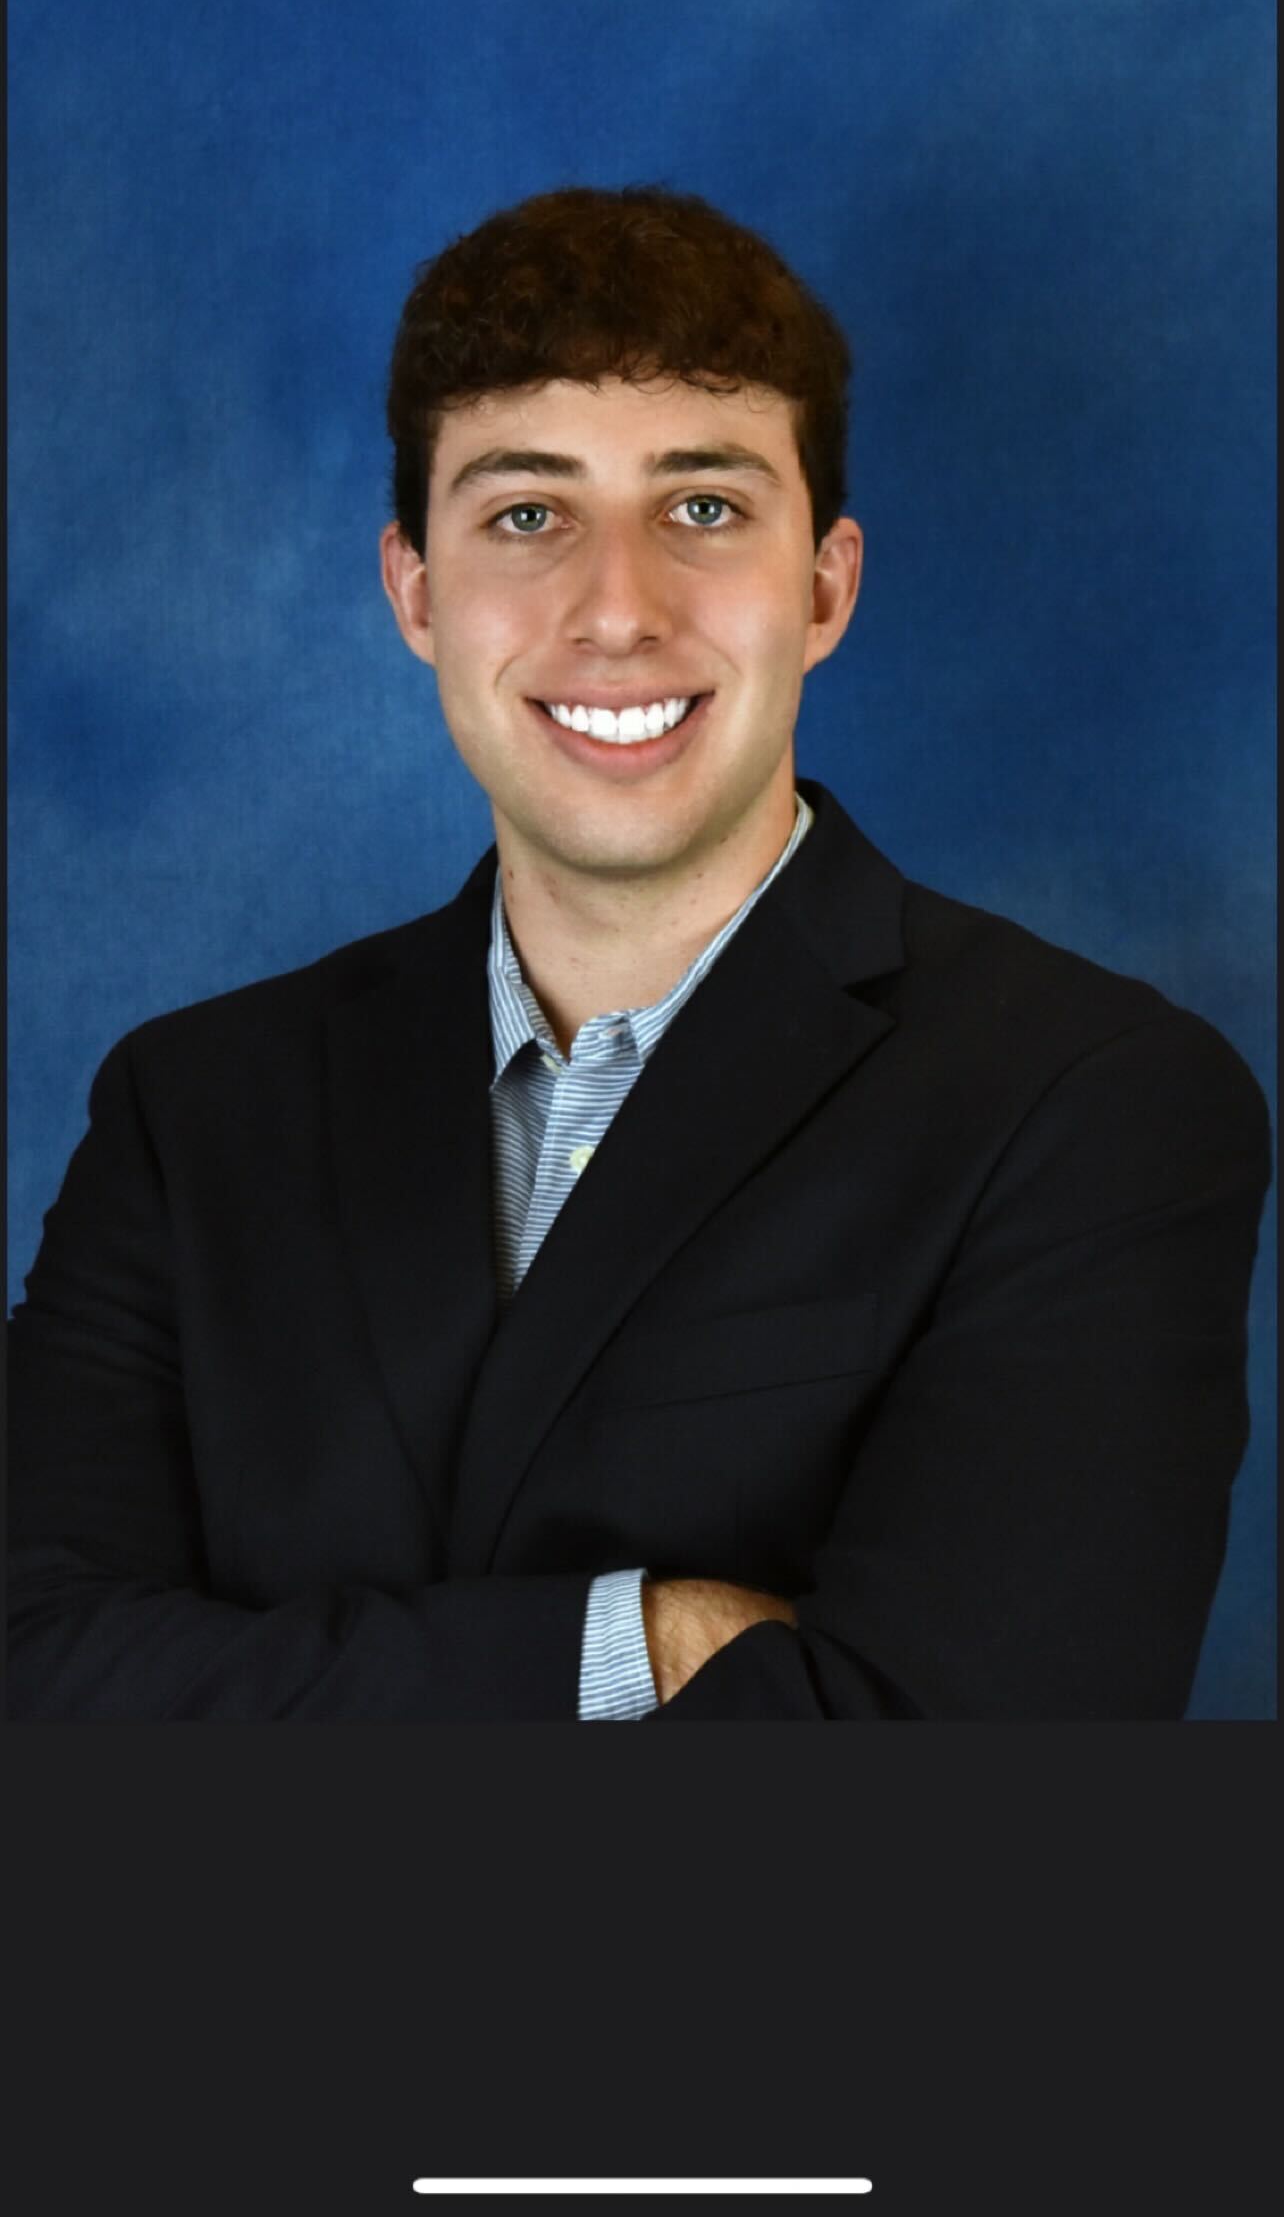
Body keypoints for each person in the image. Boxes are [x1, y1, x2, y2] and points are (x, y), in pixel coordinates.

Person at [6, 186, 1272, 1720]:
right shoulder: (192, 1109)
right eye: (528, 515)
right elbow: (32, 1676)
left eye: (704, 508)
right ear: (417, 590)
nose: (617, 610)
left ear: (825, 587)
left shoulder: (1093, 1104)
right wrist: (634, 1646)